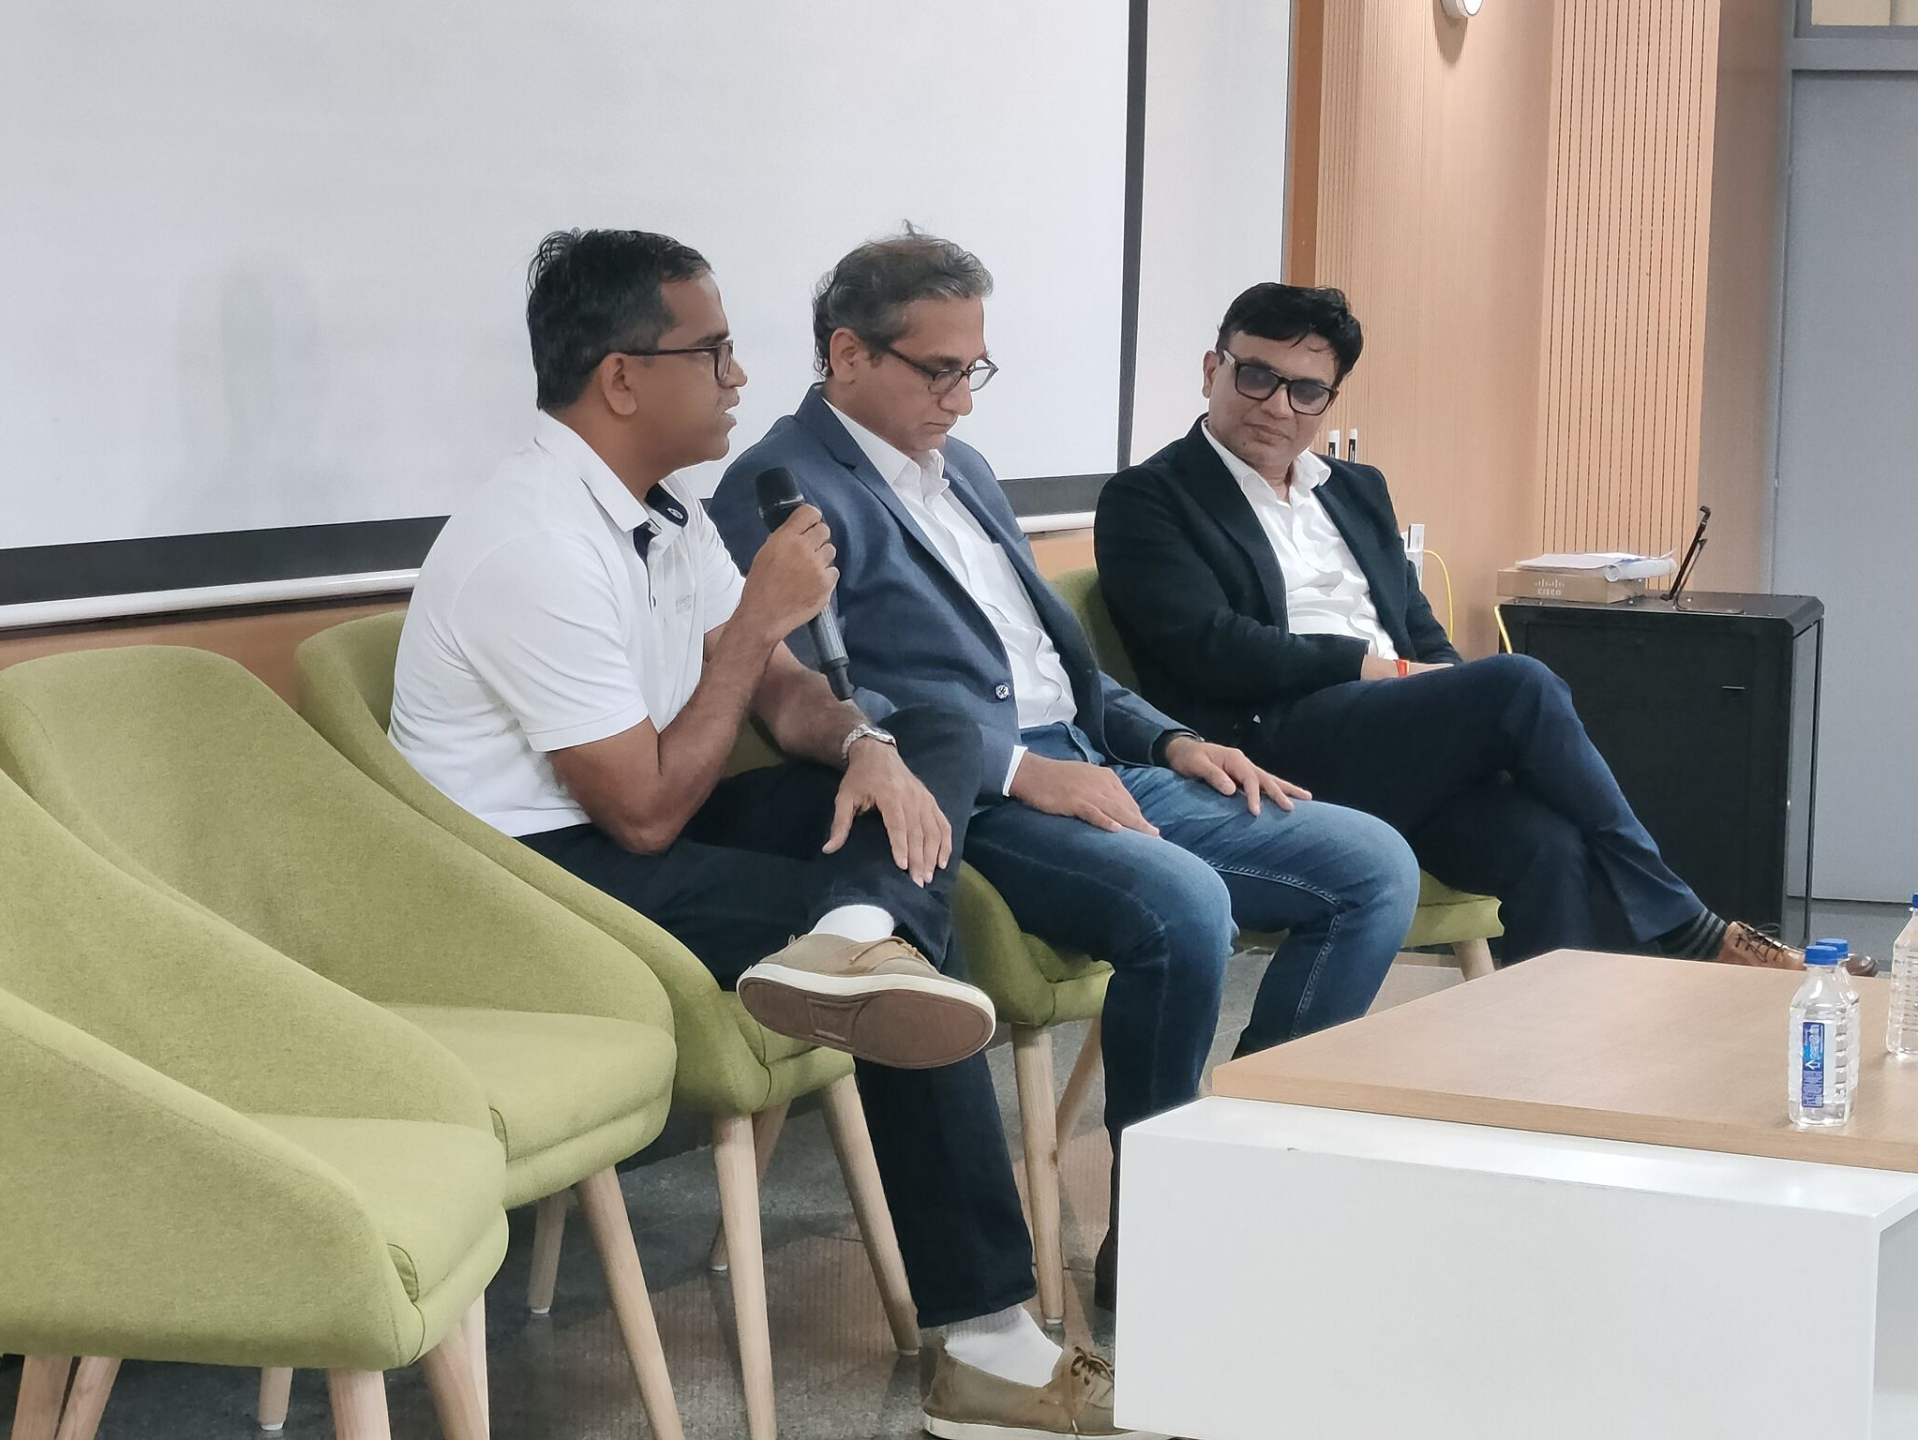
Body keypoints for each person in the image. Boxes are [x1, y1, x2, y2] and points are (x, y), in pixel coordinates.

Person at [389, 229, 1142, 1438]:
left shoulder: (664, 511)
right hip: (535, 882)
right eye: (714, 351)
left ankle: (857, 931)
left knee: (935, 732)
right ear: (621, 378)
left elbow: (787, 695)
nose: (740, 376)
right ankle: (990, 1351)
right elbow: (641, 814)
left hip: (641, 822)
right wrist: (754, 625)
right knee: (913, 974)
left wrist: (867, 745)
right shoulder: (532, 542)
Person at [711, 230, 1422, 1313]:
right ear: (848, 354)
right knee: (1184, 904)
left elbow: (1059, 665)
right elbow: (817, 701)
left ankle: (1232, 1176)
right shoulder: (779, 489)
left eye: (974, 370)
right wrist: (1020, 774)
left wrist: (1170, 740)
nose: (962, 399)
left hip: (1099, 762)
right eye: (938, 371)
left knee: (1373, 865)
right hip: (971, 801)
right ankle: (1160, 1236)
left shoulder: (964, 471)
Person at [1094, 281, 1871, 978]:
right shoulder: (1149, 497)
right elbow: (1211, 648)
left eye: (1305, 391)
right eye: (1256, 376)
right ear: (1213, 369)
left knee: (1547, 845)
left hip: (1392, 748)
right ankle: (1687, 924)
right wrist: (1387, 673)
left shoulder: (1355, 489)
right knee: (1517, 681)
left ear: (1328, 401)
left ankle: (1548, 1072)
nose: (1276, 406)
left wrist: (1440, 689)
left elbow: (1418, 628)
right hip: (1269, 751)